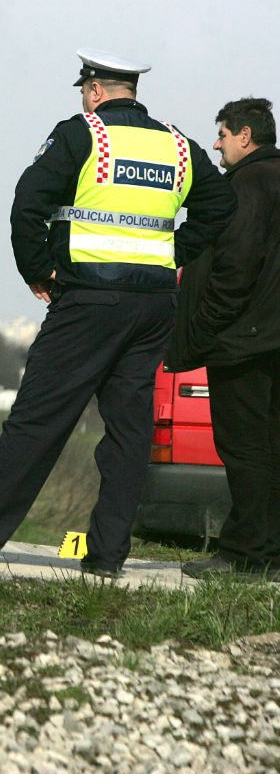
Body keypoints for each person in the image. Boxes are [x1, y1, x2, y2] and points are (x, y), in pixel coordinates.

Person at [0, 49, 236, 577]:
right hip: (153, 305)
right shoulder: (179, 146)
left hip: (88, 300)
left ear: (93, 90)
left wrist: (38, 270)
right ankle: (108, 555)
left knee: (38, 419)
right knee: (130, 433)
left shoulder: (81, 134)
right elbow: (220, 207)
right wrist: (174, 252)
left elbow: (28, 202)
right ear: (131, 89)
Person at [165, 97, 280, 581]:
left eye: (223, 134)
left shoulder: (248, 184)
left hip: (244, 342)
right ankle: (268, 555)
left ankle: (245, 556)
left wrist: (207, 326)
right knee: (269, 446)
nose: (217, 143)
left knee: (244, 448)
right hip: (268, 339)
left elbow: (235, 269)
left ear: (245, 137)